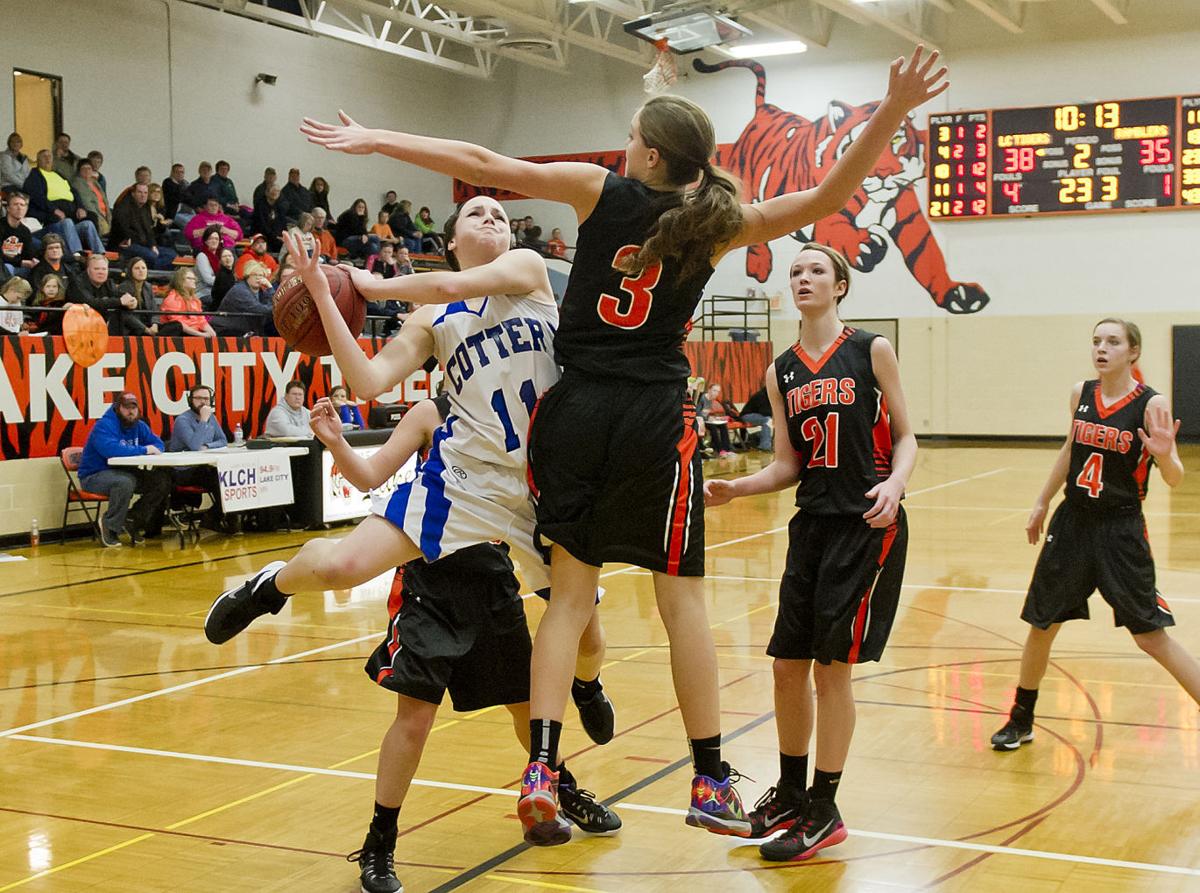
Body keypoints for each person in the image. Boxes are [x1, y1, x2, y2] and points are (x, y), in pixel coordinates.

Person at [300, 44, 948, 840]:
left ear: (646, 152)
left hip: (573, 417)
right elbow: (831, 191)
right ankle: (709, 776)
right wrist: (890, 109)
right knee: (683, 604)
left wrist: (377, 139)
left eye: (632, 131)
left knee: (568, 601)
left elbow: (477, 158)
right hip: (652, 421)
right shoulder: (719, 222)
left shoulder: (596, 189)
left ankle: (541, 762)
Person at [203, 203, 615, 846]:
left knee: (586, 636)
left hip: (543, 489)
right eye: (475, 213)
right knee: (344, 565)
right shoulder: (432, 318)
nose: (492, 218)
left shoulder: (529, 272)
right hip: (468, 484)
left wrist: (363, 283)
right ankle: (270, 586)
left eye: (500, 213)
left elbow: (452, 284)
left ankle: (585, 690)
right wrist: (323, 296)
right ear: (451, 240)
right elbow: (366, 379)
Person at [312, 395, 618, 893]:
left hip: (495, 575)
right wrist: (336, 442)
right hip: (429, 580)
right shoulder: (429, 414)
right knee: (415, 718)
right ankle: (379, 843)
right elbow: (369, 475)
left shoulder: (520, 404)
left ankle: (562, 789)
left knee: (527, 707)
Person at [704, 244, 916, 861]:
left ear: (841, 285)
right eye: (794, 271)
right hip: (812, 526)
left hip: (865, 522)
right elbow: (787, 465)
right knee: (785, 665)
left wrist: (896, 483)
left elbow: (905, 435)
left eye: (815, 270)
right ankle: (792, 793)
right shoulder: (781, 371)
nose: (802, 278)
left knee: (832, 669)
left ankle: (825, 807)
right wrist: (735, 487)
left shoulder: (870, 349)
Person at [990, 319, 1199, 751]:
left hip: (1120, 529)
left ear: (1133, 352)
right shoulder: (1080, 393)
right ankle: (1021, 718)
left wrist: (1165, 456)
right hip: (1073, 523)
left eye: (1113, 342)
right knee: (1041, 624)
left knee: (1150, 636)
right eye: (1097, 341)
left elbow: (1175, 478)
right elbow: (1070, 449)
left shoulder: (1150, 403)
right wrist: (1042, 501)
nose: (1101, 348)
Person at [78, 391, 172, 546]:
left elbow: (158, 444)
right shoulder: (104, 425)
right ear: (117, 408)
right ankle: (110, 525)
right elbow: (111, 450)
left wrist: (151, 447)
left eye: (134, 408)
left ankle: (132, 518)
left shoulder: (139, 425)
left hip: (125, 472)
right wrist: (144, 450)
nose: (131, 411)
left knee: (161, 480)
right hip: (94, 475)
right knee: (124, 482)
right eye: (126, 408)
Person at [22, 149, 104, 256]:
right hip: (52, 217)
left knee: (88, 223)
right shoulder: (35, 175)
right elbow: (37, 197)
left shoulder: (59, 175)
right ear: (38, 160)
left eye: (49, 156)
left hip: (71, 213)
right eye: (44, 156)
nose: (47, 159)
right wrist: (54, 209)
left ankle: (100, 254)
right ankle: (76, 254)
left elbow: (74, 192)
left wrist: (80, 207)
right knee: (67, 222)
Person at [168, 384, 228, 523]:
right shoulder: (182, 420)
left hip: (201, 467)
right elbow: (195, 446)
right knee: (217, 477)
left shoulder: (211, 417)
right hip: (183, 470)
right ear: (191, 400)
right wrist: (203, 421)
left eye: (206, 399)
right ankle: (213, 518)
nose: (203, 402)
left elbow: (223, 440)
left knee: (226, 476)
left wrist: (207, 445)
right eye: (199, 398)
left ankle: (217, 516)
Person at [70, 253, 152, 336]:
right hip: (76, 327)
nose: (100, 272)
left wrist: (131, 301)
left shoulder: (108, 282)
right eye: (96, 269)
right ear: (88, 270)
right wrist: (120, 301)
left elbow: (119, 296)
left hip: (100, 326)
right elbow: (91, 302)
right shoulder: (77, 282)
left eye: (104, 269)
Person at [111, 182, 176, 271]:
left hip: (143, 244)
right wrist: (128, 238)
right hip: (125, 244)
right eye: (140, 192)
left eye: (145, 193)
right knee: (151, 256)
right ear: (133, 194)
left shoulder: (145, 209)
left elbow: (149, 232)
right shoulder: (123, 208)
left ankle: (148, 270)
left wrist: (153, 245)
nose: (143, 195)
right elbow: (122, 229)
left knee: (172, 254)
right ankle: (147, 272)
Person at [212, 261, 273, 337]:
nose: (258, 277)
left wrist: (269, 291)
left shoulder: (261, 292)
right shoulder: (240, 290)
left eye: (261, 275)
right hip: (225, 330)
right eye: (254, 274)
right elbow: (261, 310)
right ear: (247, 276)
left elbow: (271, 305)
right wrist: (270, 289)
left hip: (244, 331)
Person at [160, 267, 216, 338]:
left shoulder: (195, 300)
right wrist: (201, 334)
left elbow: (201, 320)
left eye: (194, 278)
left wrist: (211, 332)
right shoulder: (172, 298)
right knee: (177, 325)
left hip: (192, 330)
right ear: (180, 281)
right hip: (177, 333)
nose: (193, 281)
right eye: (189, 278)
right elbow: (179, 323)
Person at [117, 256, 160, 335]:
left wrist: (155, 324)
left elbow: (154, 309)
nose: (141, 271)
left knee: (175, 326)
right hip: (133, 328)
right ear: (130, 271)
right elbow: (127, 316)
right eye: (137, 268)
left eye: (143, 268)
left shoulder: (148, 286)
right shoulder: (124, 287)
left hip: (149, 326)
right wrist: (146, 329)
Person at [0, 192, 38, 278]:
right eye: (16, 204)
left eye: (22, 205)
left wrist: (33, 260)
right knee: (8, 268)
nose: (19, 208)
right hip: (4, 267)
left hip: (19, 268)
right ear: (8, 208)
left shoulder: (25, 231)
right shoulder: (1, 226)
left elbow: (29, 253)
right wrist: (20, 262)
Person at [72, 158, 111, 240]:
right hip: (96, 216)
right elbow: (87, 203)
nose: (87, 171)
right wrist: (101, 219)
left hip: (105, 215)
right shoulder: (78, 183)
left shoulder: (96, 183)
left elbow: (105, 201)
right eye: (84, 169)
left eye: (89, 168)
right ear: (79, 171)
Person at [698, 382, 734, 457]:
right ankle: (720, 450)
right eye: (714, 390)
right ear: (709, 390)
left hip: (707, 420)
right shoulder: (701, 398)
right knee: (713, 428)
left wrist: (715, 418)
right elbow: (697, 414)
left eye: (718, 391)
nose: (716, 393)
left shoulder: (711, 400)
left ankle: (727, 450)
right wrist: (708, 418)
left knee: (723, 426)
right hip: (700, 421)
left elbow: (706, 413)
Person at [194, 226, 223, 308]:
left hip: (217, 291)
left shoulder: (221, 256)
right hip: (203, 292)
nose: (214, 241)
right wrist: (224, 281)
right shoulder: (202, 256)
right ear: (206, 241)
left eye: (216, 239)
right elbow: (208, 280)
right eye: (211, 238)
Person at [252, 186, 288, 252]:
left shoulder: (279, 206)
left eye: (277, 191)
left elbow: (283, 223)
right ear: (267, 193)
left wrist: (284, 235)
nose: (275, 193)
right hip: (263, 236)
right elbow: (262, 225)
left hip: (276, 237)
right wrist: (275, 236)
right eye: (273, 191)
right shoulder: (260, 206)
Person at [738, 385, 773, 451]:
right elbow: (764, 412)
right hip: (746, 416)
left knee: (768, 421)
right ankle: (765, 446)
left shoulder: (767, 396)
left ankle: (760, 441)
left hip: (756, 415)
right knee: (767, 420)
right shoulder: (761, 396)